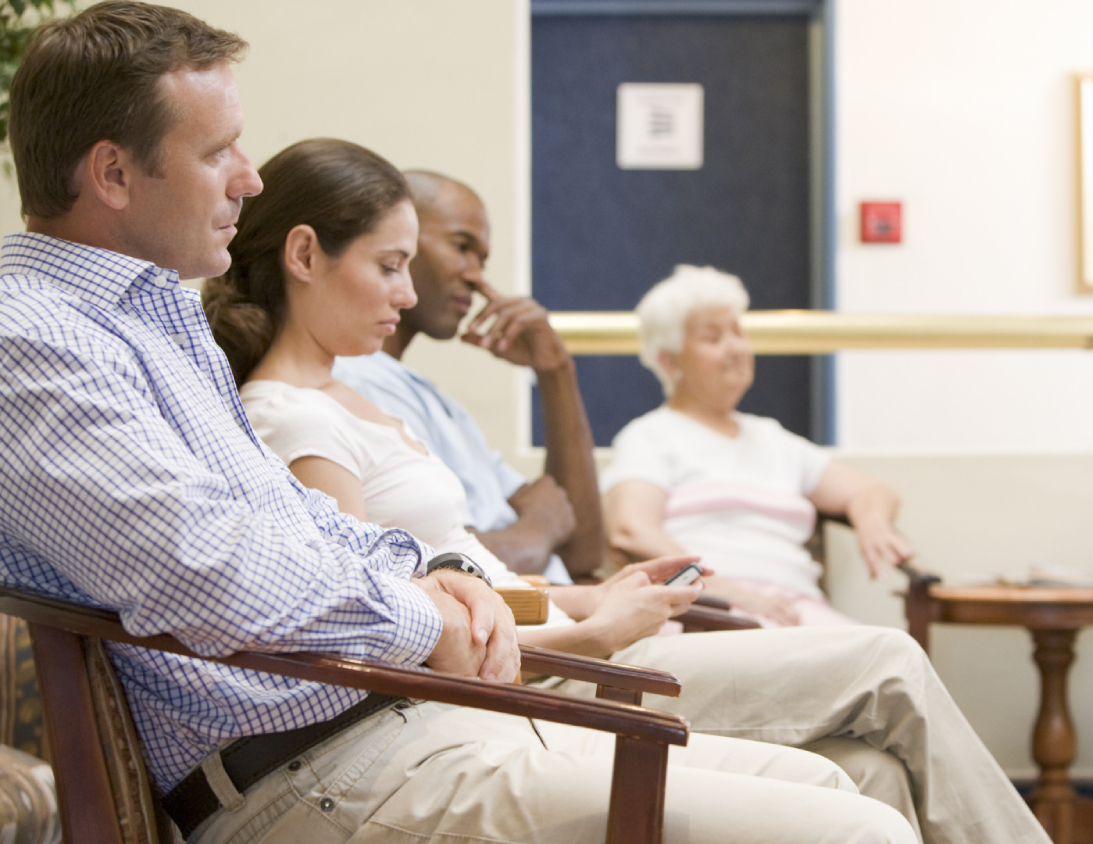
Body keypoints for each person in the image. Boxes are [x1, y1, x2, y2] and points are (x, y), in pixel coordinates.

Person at [0, 4, 928, 843]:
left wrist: (433, 579)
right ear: (114, 174)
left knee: (859, 792)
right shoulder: (30, 337)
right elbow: (207, 567)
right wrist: (427, 615)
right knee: (861, 830)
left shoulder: (154, 317)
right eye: (217, 153)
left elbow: (296, 525)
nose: (247, 179)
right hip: (307, 775)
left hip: (389, 723)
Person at [206, 143, 1052, 844]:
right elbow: (380, 631)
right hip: (504, 685)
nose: (407, 291)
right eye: (391, 265)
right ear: (306, 256)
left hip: (537, 647)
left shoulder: (361, 401)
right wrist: (592, 634)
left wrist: (585, 594)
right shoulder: (289, 417)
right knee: (886, 663)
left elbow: (449, 574)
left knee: (863, 770)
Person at [602, 266, 914, 627]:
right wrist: (725, 590)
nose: (734, 347)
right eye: (713, 337)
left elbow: (872, 490)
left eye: (737, 331)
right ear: (670, 361)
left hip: (795, 610)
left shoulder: (772, 439)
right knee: (884, 658)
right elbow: (630, 528)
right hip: (707, 613)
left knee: (896, 655)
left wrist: (872, 521)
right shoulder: (651, 436)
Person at [333, 171, 596, 584]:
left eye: (483, 260)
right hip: (525, 637)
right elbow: (433, 565)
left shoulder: (434, 400)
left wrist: (556, 372)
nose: (477, 276)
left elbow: (582, 551)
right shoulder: (353, 382)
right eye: (462, 246)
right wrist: (537, 529)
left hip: (569, 616)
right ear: (399, 240)